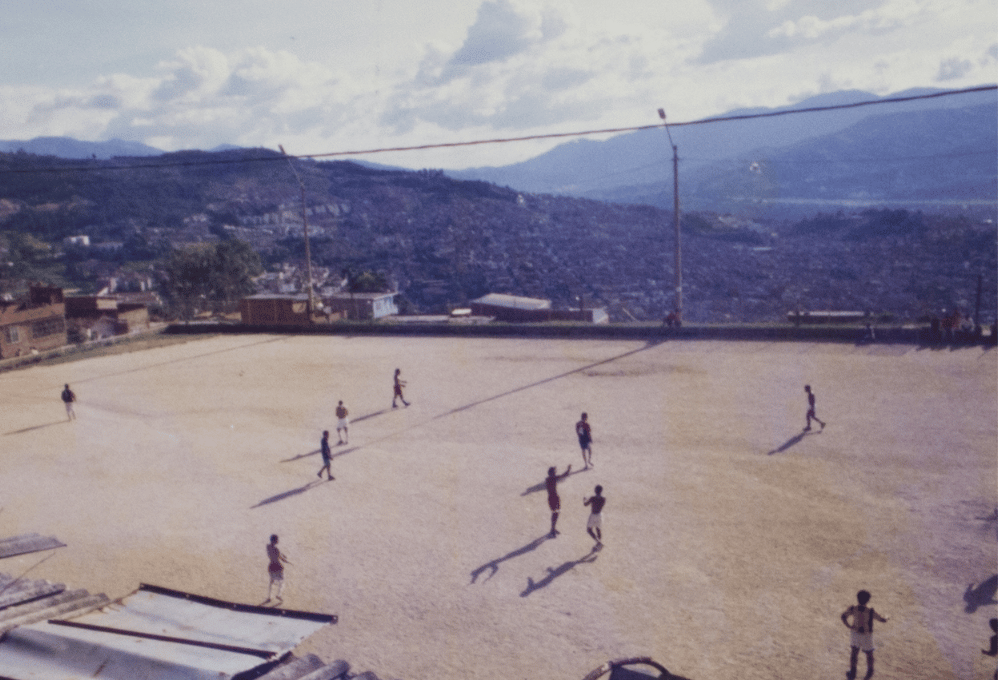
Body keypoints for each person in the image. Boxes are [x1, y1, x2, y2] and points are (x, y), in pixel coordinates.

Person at [841, 589, 889, 679]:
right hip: (867, 635)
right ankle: (870, 671)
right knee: (869, 654)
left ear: (857, 598)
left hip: (855, 634)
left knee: (854, 653)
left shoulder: (853, 608)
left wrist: (849, 626)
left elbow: (843, 616)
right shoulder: (870, 611)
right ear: (868, 600)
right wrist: (887, 617)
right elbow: (881, 619)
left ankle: (853, 672)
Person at [545, 464, 572, 537]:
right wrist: (568, 469)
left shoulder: (548, 479)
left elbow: (561, 476)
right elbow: (564, 475)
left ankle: (553, 528)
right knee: (555, 513)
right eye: (554, 471)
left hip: (553, 497)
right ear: (552, 473)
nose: (555, 472)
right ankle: (552, 529)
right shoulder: (552, 478)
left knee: (556, 513)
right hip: (553, 498)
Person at [265, 534, 291, 604]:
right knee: (282, 581)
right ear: (275, 541)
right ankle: (278, 595)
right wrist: (286, 560)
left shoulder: (268, 546)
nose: (278, 541)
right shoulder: (277, 549)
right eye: (277, 539)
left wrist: (282, 554)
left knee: (271, 582)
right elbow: (281, 558)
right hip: (278, 567)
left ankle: (269, 597)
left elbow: (276, 552)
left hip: (271, 566)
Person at [583, 485, 605, 549]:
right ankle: (598, 543)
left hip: (593, 515)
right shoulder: (603, 498)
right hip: (600, 515)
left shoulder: (593, 498)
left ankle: (598, 542)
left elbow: (585, 504)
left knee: (589, 530)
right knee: (598, 529)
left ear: (595, 490)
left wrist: (584, 500)